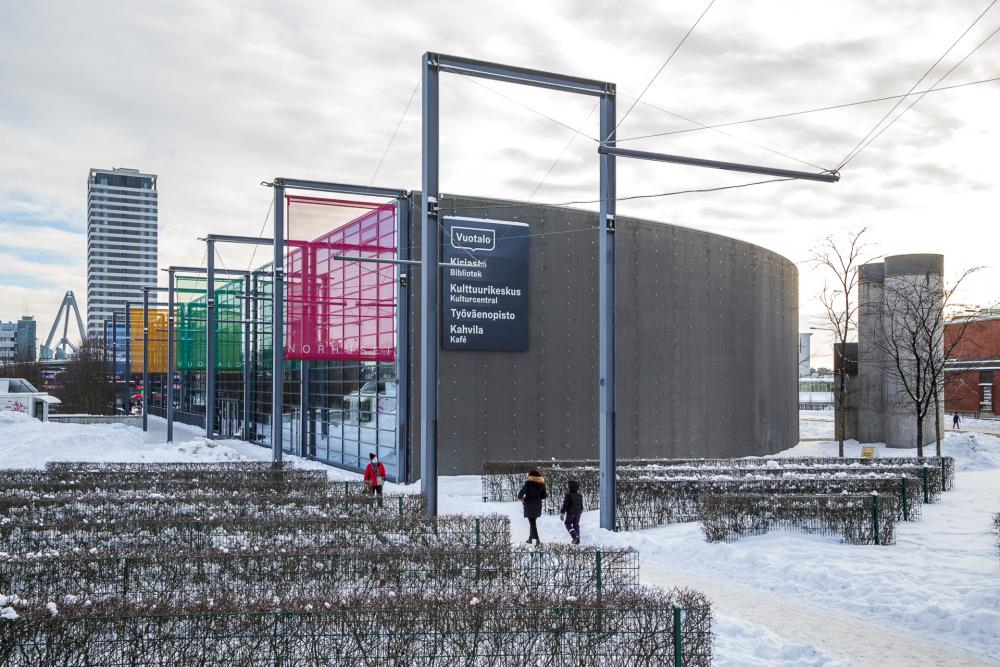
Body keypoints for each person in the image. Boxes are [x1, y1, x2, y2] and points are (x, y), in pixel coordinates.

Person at [517, 468, 547, 545]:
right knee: (532, 522)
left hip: (529, 505)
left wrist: (523, 499)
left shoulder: (528, 483)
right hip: (538, 505)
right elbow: (544, 496)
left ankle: (537, 539)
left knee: (532, 522)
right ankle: (530, 539)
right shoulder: (542, 484)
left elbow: (520, 494)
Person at [560, 479, 583, 545]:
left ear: (570, 487)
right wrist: (580, 511)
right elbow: (581, 505)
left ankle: (575, 536)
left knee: (567, 524)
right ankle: (577, 541)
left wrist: (562, 513)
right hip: (578, 513)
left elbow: (565, 504)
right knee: (576, 525)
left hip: (571, 512)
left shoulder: (568, 495)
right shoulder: (580, 495)